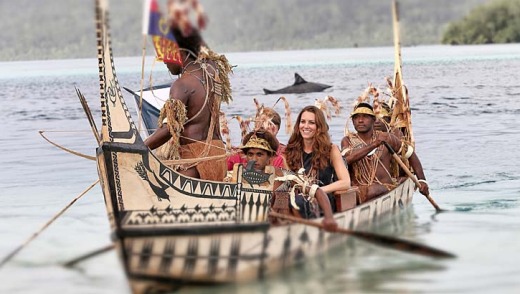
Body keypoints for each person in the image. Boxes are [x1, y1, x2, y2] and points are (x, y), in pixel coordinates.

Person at [144, 26, 233, 181]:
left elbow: (169, 128)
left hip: (194, 161)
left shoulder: (181, 85)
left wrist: (139, 148)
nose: (164, 61)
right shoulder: (213, 70)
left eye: (165, 55)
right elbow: (205, 50)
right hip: (218, 155)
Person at [238, 129, 337, 231]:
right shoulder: (238, 176)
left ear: (270, 157)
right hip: (250, 226)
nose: (254, 159)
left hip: (280, 228)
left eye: (259, 154)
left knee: (287, 198)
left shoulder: (282, 175)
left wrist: (329, 218)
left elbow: (317, 191)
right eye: (250, 154)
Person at [341, 102, 429, 203]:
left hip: (385, 188)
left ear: (374, 120)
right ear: (352, 121)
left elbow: (410, 153)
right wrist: (375, 144)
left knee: (372, 190)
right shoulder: (347, 140)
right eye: (356, 117)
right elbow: (347, 160)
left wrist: (422, 180)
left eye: (365, 117)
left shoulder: (387, 137)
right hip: (360, 191)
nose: (360, 120)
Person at [284, 105, 351, 213]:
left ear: (319, 127)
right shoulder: (290, 150)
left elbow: (346, 182)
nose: (305, 126)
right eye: (303, 122)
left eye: (311, 122)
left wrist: (317, 191)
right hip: (296, 199)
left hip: (322, 201)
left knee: (300, 203)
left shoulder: (331, 149)